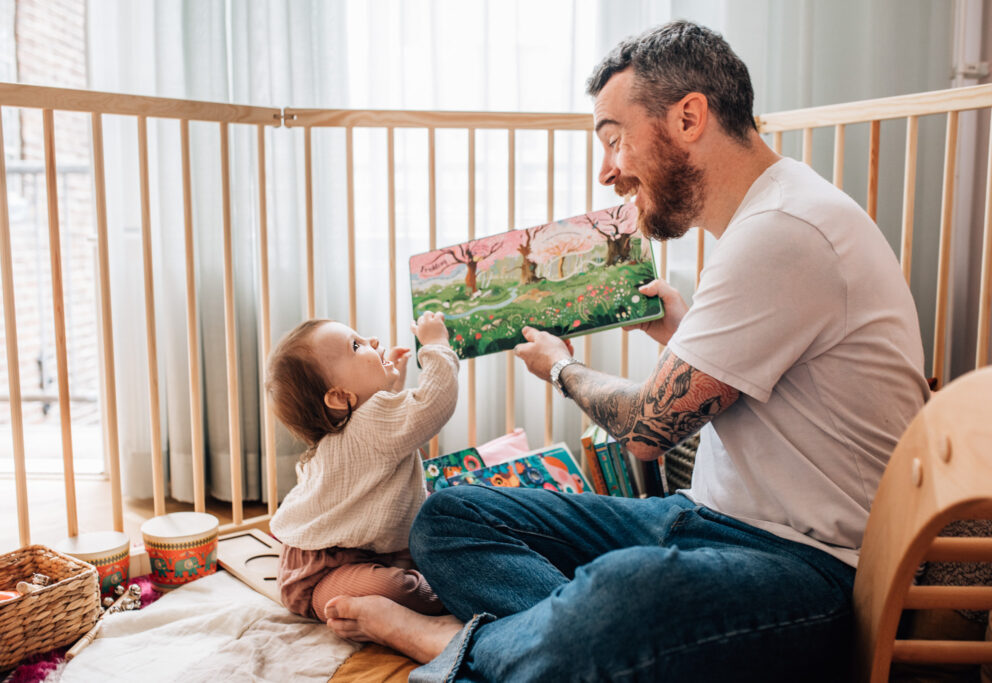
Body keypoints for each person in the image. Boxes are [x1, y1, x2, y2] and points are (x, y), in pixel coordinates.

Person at [322, 19, 931, 681]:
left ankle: (451, 642)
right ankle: (548, 648)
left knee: (625, 590)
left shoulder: (783, 229)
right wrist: (682, 329)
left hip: (809, 569)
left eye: (614, 138)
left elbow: (648, 429)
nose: (608, 169)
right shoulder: (771, 220)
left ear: (690, 117)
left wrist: (562, 367)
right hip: (702, 519)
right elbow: (765, 390)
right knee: (450, 515)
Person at [266, 312, 458, 623]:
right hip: (321, 574)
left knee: (420, 557)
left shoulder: (352, 426)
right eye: (356, 346)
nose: (373, 341)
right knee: (399, 588)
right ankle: (449, 597)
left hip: (371, 551)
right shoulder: (372, 424)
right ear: (341, 396)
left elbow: (378, 446)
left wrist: (389, 383)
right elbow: (433, 404)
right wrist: (436, 346)